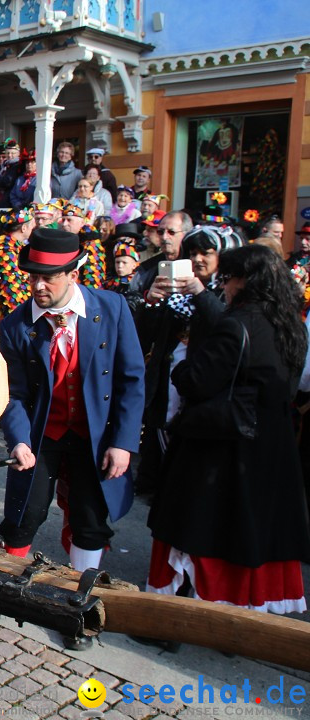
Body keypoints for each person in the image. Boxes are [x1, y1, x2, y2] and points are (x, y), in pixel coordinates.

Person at [0, 227, 145, 651]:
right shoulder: (16, 324)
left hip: (96, 436)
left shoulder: (113, 308)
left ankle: (77, 604)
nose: (37, 286)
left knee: (90, 520)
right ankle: (5, 590)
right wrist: (17, 441)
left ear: (74, 273)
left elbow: (131, 379)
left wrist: (123, 442)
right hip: (41, 434)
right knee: (23, 514)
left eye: (48, 277)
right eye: (32, 275)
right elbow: (13, 393)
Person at [147, 244, 310, 613]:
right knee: (250, 531)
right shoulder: (292, 326)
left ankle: (178, 618)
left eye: (230, 278)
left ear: (245, 281)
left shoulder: (237, 325)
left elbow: (197, 381)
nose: (226, 286)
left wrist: (182, 367)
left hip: (220, 445)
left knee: (198, 530)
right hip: (271, 443)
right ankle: (242, 618)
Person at [134, 225, 243, 498]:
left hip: (203, 392)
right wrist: (152, 302)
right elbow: (145, 338)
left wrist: (200, 293)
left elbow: (228, 327)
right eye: (192, 253)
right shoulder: (176, 291)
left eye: (206, 253)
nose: (197, 260)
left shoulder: (227, 292)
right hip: (166, 385)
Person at [0, 207, 36, 334]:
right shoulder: (7, 250)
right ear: (24, 228)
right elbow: (11, 290)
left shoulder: (14, 247)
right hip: (12, 319)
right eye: (31, 226)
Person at [132, 210, 191, 295]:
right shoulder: (147, 268)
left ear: (186, 234)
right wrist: (147, 298)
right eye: (160, 232)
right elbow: (130, 298)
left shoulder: (197, 264)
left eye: (171, 232)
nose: (164, 237)